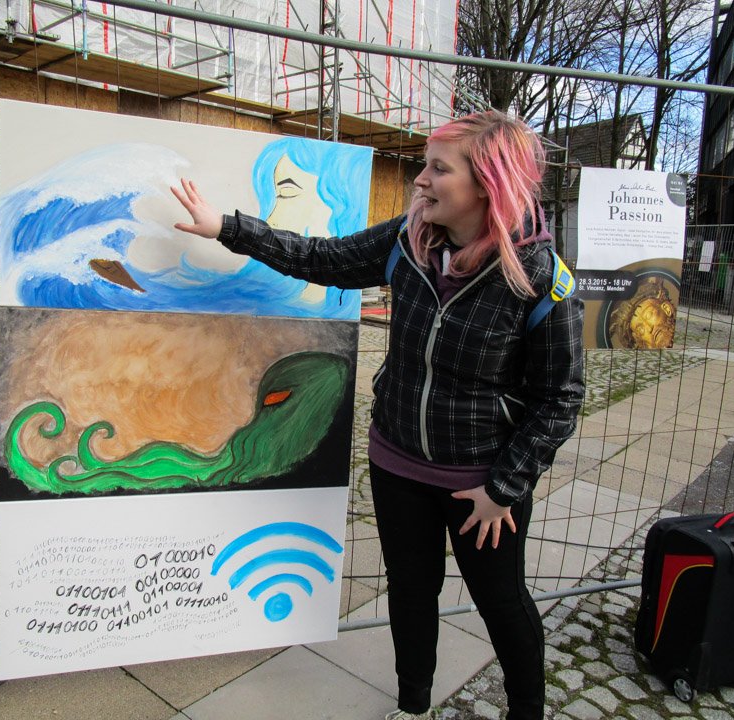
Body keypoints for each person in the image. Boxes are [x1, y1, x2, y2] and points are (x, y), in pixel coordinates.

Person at [170, 109, 585, 720]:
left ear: (487, 184)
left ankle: (527, 711)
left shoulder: (540, 276)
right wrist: (228, 228)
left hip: (482, 485)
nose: (421, 180)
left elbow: (561, 397)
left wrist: (505, 486)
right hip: (398, 466)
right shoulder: (408, 241)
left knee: (501, 601)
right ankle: (413, 704)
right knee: (411, 593)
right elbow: (321, 258)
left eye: (438, 168)